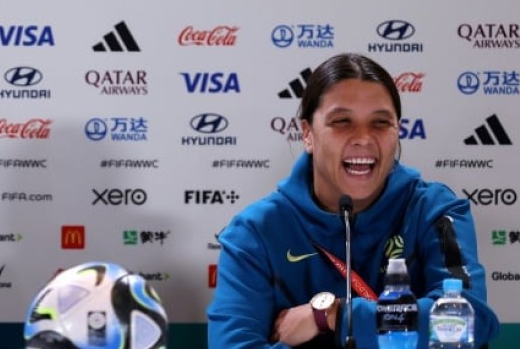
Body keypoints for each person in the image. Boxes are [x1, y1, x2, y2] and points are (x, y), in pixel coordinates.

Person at [206, 52, 500, 349]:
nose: (363, 138)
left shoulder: (435, 210)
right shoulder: (254, 232)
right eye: (342, 121)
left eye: (380, 122)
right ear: (307, 134)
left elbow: (469, 318)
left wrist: (334, 316)